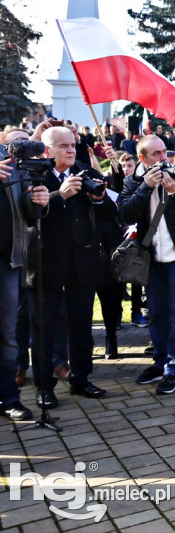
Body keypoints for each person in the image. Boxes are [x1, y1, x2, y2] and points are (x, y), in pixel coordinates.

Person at [30, 127, 118, 408]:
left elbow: (110, 215)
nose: (71, 150)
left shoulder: (86, 173)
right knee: (45, 328)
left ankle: (81, 378)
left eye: (73, 145)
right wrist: (61, 195)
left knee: (81, 326)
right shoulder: (35, 175)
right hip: (46, 264)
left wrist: (100, 198)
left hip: (82, 263)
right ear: (48, 150)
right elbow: (29, 215)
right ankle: (44, 386)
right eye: (64, 146)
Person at [119, 134, 175, 395]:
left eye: (165, 153)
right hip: (151, 260)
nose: (163, 158)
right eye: (156, 154)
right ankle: (159, 362)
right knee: (156, 315)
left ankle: (173, 368)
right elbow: (124, 213)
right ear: (143, 158)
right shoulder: (132, 181)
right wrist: (145, 188)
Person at [0, 148, 49, 422]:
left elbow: (26, 210)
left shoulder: (10, 161)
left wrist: (39, 202)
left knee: (6, 336)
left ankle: (8, 397)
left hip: (7, 262)